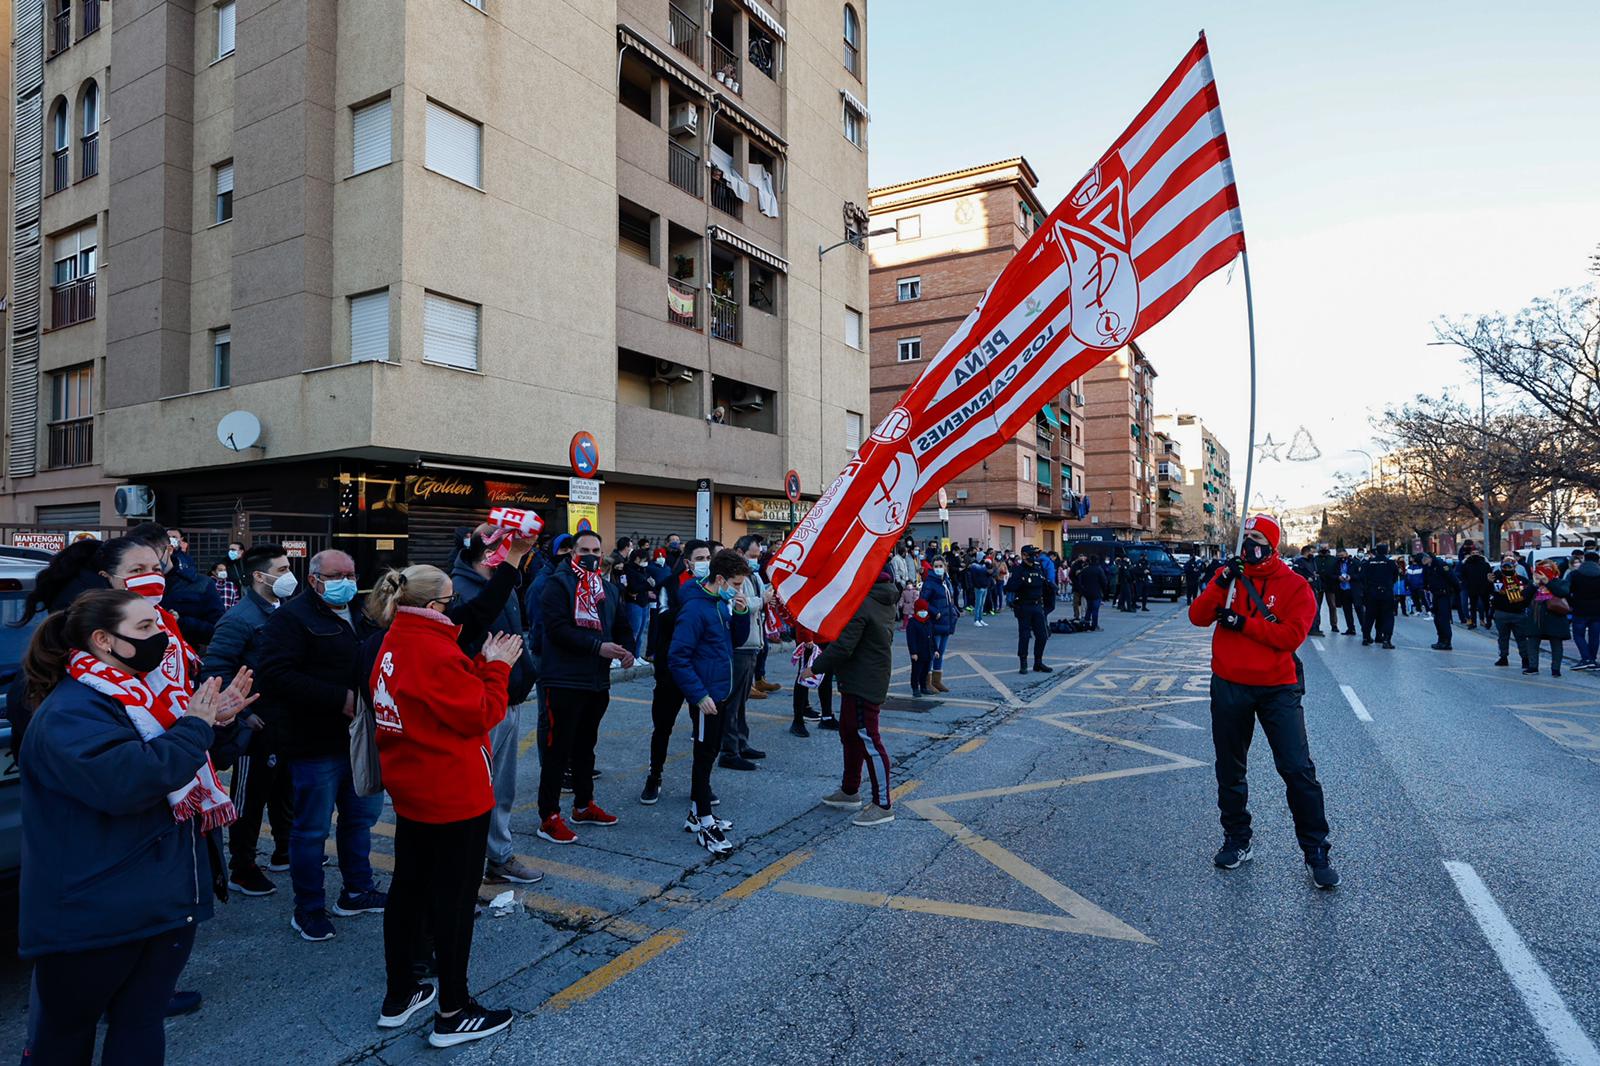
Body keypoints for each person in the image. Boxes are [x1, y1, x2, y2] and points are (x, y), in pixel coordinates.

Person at [18, 590, 255, 1064]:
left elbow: (183, 756)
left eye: (160, 626)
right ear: (103, 640)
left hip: (156, 901)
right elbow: (134, 780)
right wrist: (195, 725)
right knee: (64, 1038)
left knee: (139, 1023)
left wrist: (215, 723)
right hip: (94, 914)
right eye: (145, 629)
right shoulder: (73, 710)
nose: (162, 639)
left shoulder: (147, 697)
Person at [366, 564, 524, 1047]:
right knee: (454, 903)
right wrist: (498, 666)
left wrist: (480, 666)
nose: (456, 607)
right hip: (452, 791)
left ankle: (401, 994)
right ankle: (454, 1010)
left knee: (408, 889)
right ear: (435, 606)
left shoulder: (397, 639)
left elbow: (441, 697)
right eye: (451, 600)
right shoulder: (431, 647)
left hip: (414, 786)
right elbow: (479, 711)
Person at [1188, 514, 1338, 890]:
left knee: (1296, 768)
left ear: (1272, 544)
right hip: (1229, 684)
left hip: (1277, 688)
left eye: (1257, 538)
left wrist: (1242, 623)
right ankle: (1237, 838)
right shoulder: (1231, 579)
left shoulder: (1295, 585)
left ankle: (1315, 849)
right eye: (1246, 538)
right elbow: (1197, 617)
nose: (1250, 544)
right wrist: (1220, 583)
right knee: (1230, 767)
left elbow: (1290, 636)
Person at [256, 549, 387, 942]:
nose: (345, 580)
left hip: (359, 741)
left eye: (350, 572)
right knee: (311, 830)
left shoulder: (362, 614)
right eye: (336, 574)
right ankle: (308, 908)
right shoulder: (291, 619)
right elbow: (275, 675)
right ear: (314, 579)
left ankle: (356, 890)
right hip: (314, 741)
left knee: (359, 819)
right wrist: (338, 698)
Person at [201, 543, 297, 895]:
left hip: (284, 721)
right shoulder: (239, 619)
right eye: (283, 569)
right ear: (260, 576)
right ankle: (242, 866)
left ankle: (284, 851)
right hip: (252, 726)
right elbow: (215, 671)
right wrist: (244, 712)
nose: (290, 576)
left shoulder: (283, 610)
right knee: (249, 798)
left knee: (284, 788)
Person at [450, 527, 541, 887]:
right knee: (474, 791)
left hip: (509, 698)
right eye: (505, 548)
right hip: (482, 704)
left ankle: (498, 857)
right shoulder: (461, 592)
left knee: (502, 789)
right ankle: (469, 865)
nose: (512, 554)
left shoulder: (502, 583)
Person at [535, 529, 635, 845]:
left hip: (596, 681)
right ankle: (548, 817)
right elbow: (557, 630)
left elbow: (621, 624)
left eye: (596, 548)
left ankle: (583, 804)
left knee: (585, 748)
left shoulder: (607, 588)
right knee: (557, 751)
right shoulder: (557, 584)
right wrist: (597, 648)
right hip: (563, 679)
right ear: (572, 552)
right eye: (584, 549)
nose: (591, 554)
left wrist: (628, 648)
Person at [666, 548, 752, 855]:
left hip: (720, 692)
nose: (738, 589)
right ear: (720, 579)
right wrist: (698, 694)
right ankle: (703, 820)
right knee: (703, 757)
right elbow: (677, 658)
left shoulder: (720, 603)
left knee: (710, 751)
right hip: (707, 696)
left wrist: (742, 612)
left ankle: (695, 811)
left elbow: (735, 643)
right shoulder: (695, 609)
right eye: (737, 584)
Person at [804, 568, 897, 827]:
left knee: (868, 739)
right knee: (849, 733)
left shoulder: (864, 603)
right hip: (860, 678)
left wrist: (815, 667)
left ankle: (882, 804)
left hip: (863, 682)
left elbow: (844, 646)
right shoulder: (882, 597)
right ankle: (849, 790)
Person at [642, 540, 707, 802]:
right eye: (700, 558)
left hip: (701, 670)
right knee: (662, 727)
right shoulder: (670, 584)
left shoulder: (715, 586)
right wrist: (694, 609)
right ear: (688, 561)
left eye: (708, 557)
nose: (706, 562)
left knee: (702, 731)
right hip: (671, 669)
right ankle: (654, 776)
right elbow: (664, 617)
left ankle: (701, 784)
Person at [129, 522, 225, 650]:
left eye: (151, 553)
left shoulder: (201, 584)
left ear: (168, 550)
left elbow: (219, 632)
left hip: (184, 661)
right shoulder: (128, 583)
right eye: (137, 556)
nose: (145, 561)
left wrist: (180, 622)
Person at [719, 535, 769, 770]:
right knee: (733, 701)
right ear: (740, 553)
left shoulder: (752, 576)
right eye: (751, 556)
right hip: (740, 647)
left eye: (757, 556)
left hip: (751, 644)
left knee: (741, 701)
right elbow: (745, 604)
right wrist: (762, 600)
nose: (754, 561)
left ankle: (741, 742)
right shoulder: (735, 578)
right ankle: (729, 750)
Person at [1006, 546, 1054, 675]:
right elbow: (1010, 586)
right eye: (1031, 555)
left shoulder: (1038, 568)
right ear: (1024, 555)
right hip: (1024, 606)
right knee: (1025, 636)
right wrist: (1022, 582)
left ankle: (1038, 662)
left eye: (1035, 555)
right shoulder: (1018, 569)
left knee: (1042, 635)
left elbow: (1043, 583)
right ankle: (1023, 662)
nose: (1034, 557)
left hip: (1037, 606)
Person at [1524, 562, 1572, 677]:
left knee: (1556, 644)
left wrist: (1548, 582)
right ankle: (1533, 666)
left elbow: (1563, 592)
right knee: (1532, 643)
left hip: (1555, 617)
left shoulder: (1560, 582)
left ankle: (1556, 669)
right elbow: (1524, 599)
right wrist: (1534, 585)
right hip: (1536, 617)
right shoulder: (1534, 584)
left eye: (1547, 569)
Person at [921, 556, 958, 693]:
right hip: (934, 622)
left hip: (946, 622)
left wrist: (954, 612)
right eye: (935, 566)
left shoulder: (946, 581)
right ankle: (927, 682)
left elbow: (950, 600)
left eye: (940, 566)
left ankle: (937, 681)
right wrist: (935, 612)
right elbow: (922, 602)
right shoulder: (930, 583)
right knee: (932, 653)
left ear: (945, 566)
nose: (938, 569)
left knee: (940, 652)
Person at [1487, 556, 1532, 667]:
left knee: (1521, 638)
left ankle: (1525, 659)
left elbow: (1528, 595)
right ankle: (1503, 657)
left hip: (1518, 613)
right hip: (1502, 612)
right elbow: (1488, 593)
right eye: (1504, 566)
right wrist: (1489, 582)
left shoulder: (1522, 580)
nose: (1507, 568)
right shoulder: (1496, 578)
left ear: (1514, 566)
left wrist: (1523, 605)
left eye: (1509, 566)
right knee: (1503, 637)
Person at [1358, 544, 1399, 649]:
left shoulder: (1368, 563)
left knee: (1369, 616)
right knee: (1388, 616)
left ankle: (1366, 638)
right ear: (1386, 551)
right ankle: (1386, 639)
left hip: (1371, 592)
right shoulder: (1391, 563)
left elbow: (1362, 578)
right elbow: (1395, 577)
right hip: (1386, 593)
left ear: (1376, 552)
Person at [619, 548, 655, 663]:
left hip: (644, 602)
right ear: (637, 558)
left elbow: (649, 584)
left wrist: (648, 585)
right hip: (634, 603)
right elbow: (632, 587)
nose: (646, 562)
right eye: (644, 559)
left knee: (641, 632)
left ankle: (637, 655)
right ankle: (627, 655)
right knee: (633, 631)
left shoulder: (643, 569)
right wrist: (647, 585)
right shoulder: (628, 569)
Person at [1567, 549, 1600, 671]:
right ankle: (1592, 659)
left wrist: (1571, 604)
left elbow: (1566, 590)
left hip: (1579, 609)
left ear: (1584, 560)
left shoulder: (1575, 574)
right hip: (1597, 611)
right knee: (1595, 636)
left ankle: (1585, 658)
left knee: (1578, 634)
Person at [1420, 552, 1460, 652]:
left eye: (1425, 558)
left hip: (1444, 594)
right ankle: (1441, 640)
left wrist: (1456, 592)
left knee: (1443, 618)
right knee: (1437, 619)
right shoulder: (1427, 568)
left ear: (1430, 558)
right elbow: (1425, 581)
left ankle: (1447, 642)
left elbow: (1452, 578)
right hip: (1435, 595)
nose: (1423, 560)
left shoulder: (1441, 565)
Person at [1291, 546, 1324, 637]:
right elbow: (1295, 574)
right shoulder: (1299, 562)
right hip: (1305, 589)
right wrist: (1306, 578)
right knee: (1312, 609)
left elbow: (1315, 573)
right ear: (1306, 552)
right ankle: (1311, 628)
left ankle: (1316, 627)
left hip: (1314, 588)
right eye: (1312, 552)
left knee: (1316, 608)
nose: (1313, 554)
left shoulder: (1312, 561)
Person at [1460, 543, 1493, 629]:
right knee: (1474, 606)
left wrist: (1489, 586)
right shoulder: (1467, 564)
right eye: (1473, 553)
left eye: (1476, 553)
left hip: (1483, 588)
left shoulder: (1484, 564)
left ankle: (1486, 622)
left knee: (1484, 606)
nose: (1475, 555)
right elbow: (1463, 576)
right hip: (1474, 588)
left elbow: (1489, 575)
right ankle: (1475, 622)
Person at [905, 598, 932, 697]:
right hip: (918, 653)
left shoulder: (928, 621)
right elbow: (911, 639)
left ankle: (923, 687)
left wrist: (936, 650)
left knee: (925, 671)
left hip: (928, 651)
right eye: (921, 611)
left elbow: (931, 636)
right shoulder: (913, 622)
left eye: (925, 610)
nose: (924, 612)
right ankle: (915, 688)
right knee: (916, 671)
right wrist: (913, 652)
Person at [1075, 557, 1108, 631]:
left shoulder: (1085, 570)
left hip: (1087, 592)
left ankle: (1086, 625)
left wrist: (1083, 590)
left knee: (1089, 609)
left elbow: (1080, 581)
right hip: (1096, 592)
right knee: (1095, 609)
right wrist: (1104, 590)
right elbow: (1104, 581)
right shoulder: (1099, 570)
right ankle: (1094, 625)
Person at [1314, 547, 1341, 632]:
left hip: (1330, 585)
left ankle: (1334, 625)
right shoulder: (1315, 559)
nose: (1324, 549)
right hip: (1318, 585)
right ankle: (1316, 625)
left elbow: (1337, 570)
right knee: (1317, 606)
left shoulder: (1333, 559)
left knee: (1332, 606)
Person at [1332, 550, 1358, 635]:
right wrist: (1338, 577)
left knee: (1359, 610)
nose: (1341, 557)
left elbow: (1360, 575)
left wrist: (1351, 577)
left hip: (1353, 590)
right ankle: (1351, 628)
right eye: (1339, 556)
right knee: (1347, 611)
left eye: (1342, 555)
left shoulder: (1354, 562)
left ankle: (1365, 631)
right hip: (1343, 590)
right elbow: (1332, 575)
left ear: (1346, 554)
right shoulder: (1336, 564)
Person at [968, 554, 994, 626]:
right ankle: (976, 620)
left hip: (985, 586)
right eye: (983, 557)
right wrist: (976, 585)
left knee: (982, 604)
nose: (985, 559)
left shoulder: (986, 565)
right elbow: (973, 577)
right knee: (978, 604)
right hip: (979, 587)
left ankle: (980, 619)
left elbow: (990, 573)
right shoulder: (974, 566)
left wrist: (990, 565)